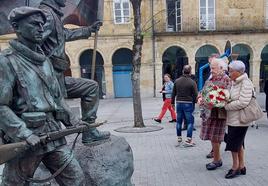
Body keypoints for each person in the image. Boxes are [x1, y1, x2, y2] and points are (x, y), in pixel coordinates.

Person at [0, 7, 85, 185]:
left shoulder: (45, 60)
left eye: (42, 24)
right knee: (13, 183)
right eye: (35, 24)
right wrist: (23, 134)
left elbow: (56, 98)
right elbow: (1, 106)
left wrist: (73, 121)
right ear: (17, 27)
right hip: (27, 140)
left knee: (76, 178)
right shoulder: (7, 61)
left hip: (53, 135)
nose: (41, 28)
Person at [39, 0, 110, 144]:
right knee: (66, 113)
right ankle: (84, 132)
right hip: (49, 79)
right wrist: (48, 62)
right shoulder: (47, 14)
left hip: (57, 77)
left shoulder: (53, 14)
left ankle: (89, 132)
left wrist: (89, 29)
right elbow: (34, 42)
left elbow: (65, 34)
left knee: (91, 86)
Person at [198, 58, 231, 170]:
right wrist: (200, 98)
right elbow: (202, 92)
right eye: (211, 68)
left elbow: (227, 96)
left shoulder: (226, 79)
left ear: (221, 68)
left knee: (215, 138)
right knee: (213, 138)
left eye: (213, 68)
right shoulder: (210, 79)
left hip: (219, 113)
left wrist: (214, 101)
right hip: (209, 113)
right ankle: (216, 158)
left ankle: (217, 160)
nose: (211, 70)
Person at [224, 61, 253, 179]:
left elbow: (243, 102)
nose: (229, 73)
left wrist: (226, 105)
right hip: (234, 119)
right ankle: (242, 166)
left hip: (240, 120)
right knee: (239, 144)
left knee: (233, 145)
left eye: (231, 71)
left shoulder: (245, 83)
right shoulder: (235, 82)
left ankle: (235, 167)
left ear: (239, 72)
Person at [172, 65, 198, 146]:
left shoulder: (177, 81)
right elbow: (195, 94)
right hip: (188, 103)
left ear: (183, 71)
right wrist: (194, 102)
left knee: (179, 121)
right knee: (190, 122)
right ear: (190, 72)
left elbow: (173, 93)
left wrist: (172, 103)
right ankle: (188, 140)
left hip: (179, 103)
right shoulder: (192, 82)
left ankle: (179, 138)